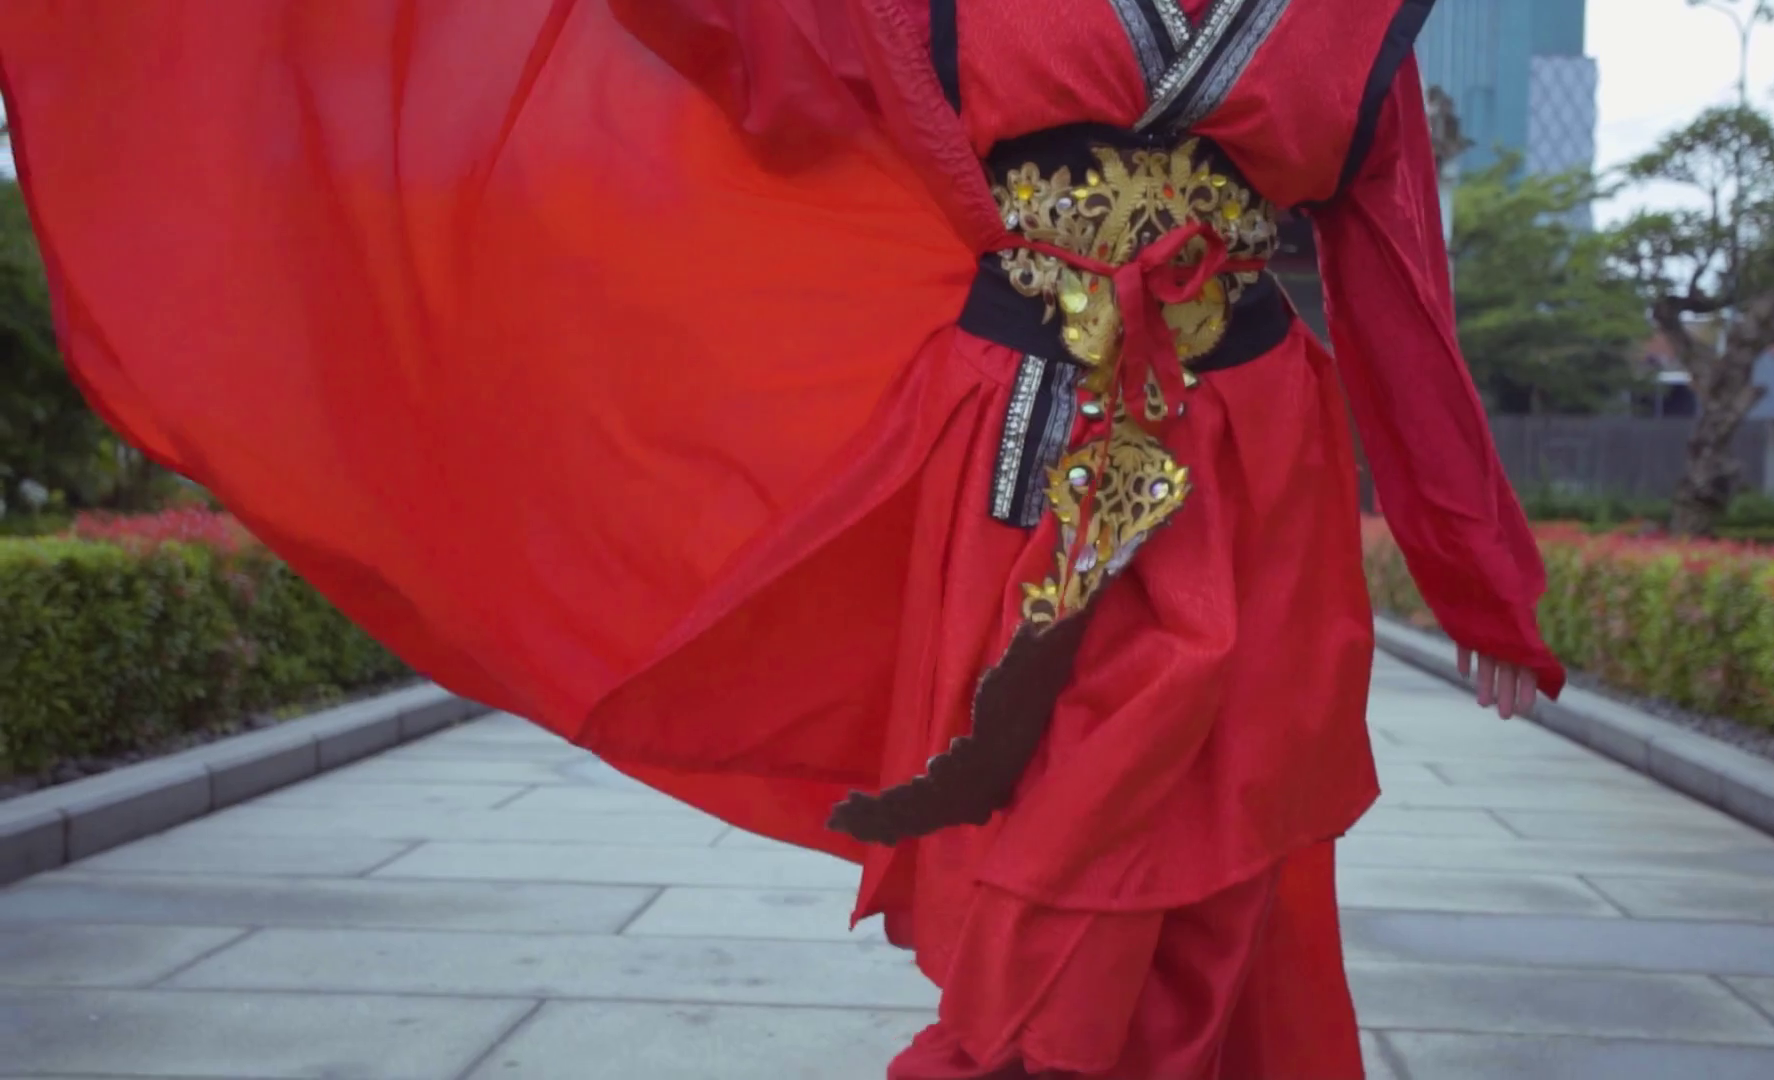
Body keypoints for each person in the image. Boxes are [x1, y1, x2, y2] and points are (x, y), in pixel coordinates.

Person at [0, 1, 1565, 1075]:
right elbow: (759, 48)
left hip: (1250, 475)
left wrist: (1482, 579)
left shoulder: (1361, 19)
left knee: (1210, 895)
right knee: (1053, 861)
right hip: (1019, 460)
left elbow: (1398, 287)